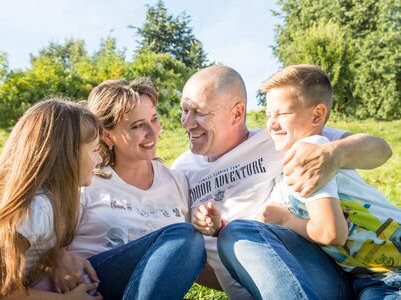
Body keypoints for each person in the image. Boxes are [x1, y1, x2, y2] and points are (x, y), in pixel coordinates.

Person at [172, 64, 393, 299]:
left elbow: (380, 150)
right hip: (281, 284)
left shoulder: (283, 139)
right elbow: (182, 255)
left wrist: (333, 155)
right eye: (184, 111)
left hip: (325, 272)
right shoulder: (181, 171)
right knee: (234, 232)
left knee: (238, 232)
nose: (187, 122)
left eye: (200, 112)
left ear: (237, 113)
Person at [49, 78, 206, 300]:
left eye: (154, 119)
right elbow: (38, 241)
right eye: (137, 125)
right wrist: (56, 256)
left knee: (188, 239)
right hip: (92, 285)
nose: (153, 132)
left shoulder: (176, 181)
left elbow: (187, 257)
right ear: (106, 135)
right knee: (184, 236)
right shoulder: (86, 181)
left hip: (154, 290)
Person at [0, 99, 103, 299]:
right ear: (67, 156)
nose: (99, 159)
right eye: (94, 150)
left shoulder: (52, 200)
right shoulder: (37, 208)